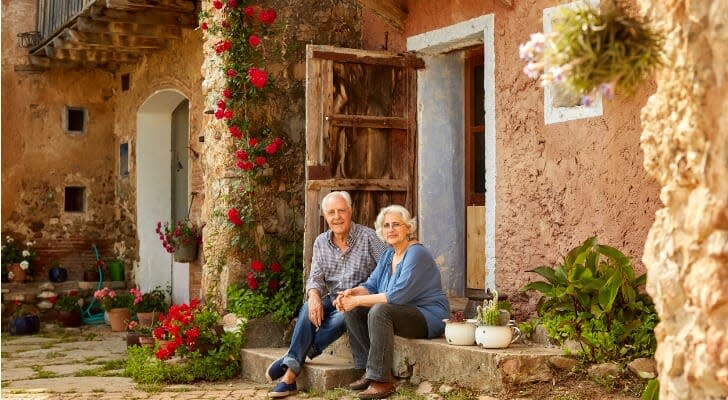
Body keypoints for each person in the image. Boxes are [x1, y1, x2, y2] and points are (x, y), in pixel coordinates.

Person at [267, 191, 386, 398]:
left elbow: (387, 267)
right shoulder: (321, 241)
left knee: (343, 315)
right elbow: (315, 277)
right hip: (332, 297)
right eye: (331, 212)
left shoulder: (369, 237)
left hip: (359, 300)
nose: (337, 216)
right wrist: (313, 297)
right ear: (325, 216)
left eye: (341, 211)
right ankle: (295, 359)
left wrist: (367, 294)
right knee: (307, 308)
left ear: (350, 212)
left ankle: (290, 372)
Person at [335, 205, 449, 400]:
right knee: (353, 310)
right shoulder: (388, 255)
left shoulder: (416, 253)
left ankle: (382, 380)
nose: (391, 229)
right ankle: (367, 370)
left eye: (396, 224)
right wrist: (351, 294)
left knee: (379, 310)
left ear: (408, 228)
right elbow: (371, 285)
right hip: (402, 311)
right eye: (386, 225)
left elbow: (397, 296)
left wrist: (357, 300)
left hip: (427, 316)